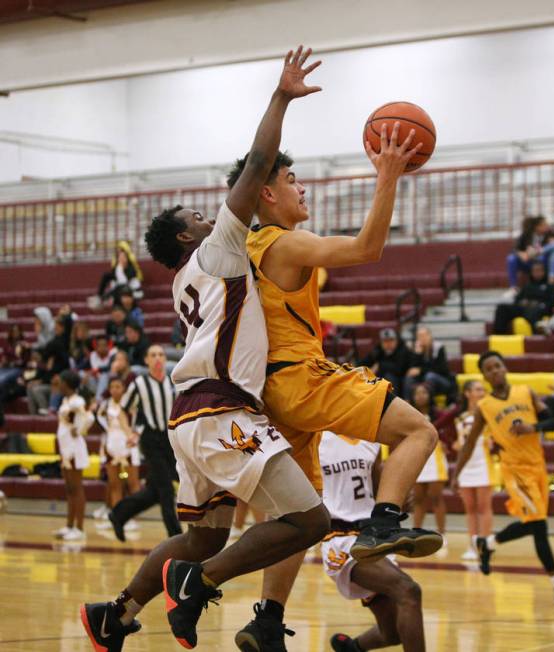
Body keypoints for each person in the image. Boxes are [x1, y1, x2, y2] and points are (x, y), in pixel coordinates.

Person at [82, 48, 331, 652]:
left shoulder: (185, 279)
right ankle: (198, 586)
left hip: (191, 414)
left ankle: (113, 614)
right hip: (222, 412)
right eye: (196, 213)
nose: (208, 212)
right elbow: (259, 164)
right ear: (185, 235)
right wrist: (280, 98)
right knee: (309, 521)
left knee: (201, 537)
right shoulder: (217, 250)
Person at [240, 85, 443, 643]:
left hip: (272, 392)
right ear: (266, 195)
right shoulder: (284, 243)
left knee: (298, 520)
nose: (301, 187)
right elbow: (366, 249)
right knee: (418, 430)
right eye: (290, 181)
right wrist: (388, 176)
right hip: (301, 379)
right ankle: (382, 525)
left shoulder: (247, 250)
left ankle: (267, 621)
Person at [453, 351, 554, 604]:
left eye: (498, 366)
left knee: (537, 524)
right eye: (489, 369)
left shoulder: (526, 392)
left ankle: (488, 543)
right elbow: (469, 443)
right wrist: (456, 474)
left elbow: (553, 423)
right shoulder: (484, 407)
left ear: (505, 368)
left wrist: (533, 427)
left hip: (538, 465)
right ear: (484, 376)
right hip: (514, 470)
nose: (495, 371)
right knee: (539, 525)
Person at [320, 431, 426, 652]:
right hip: (338, 537)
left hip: (371, 536)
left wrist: (397, 501)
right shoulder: (315, 437)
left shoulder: (371, 439)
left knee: (392, 633)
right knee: (408, 591)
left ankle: (351, 648)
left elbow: (380, 493)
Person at [106, 345, 180, 541]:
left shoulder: (173, 383)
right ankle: (176, 537)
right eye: (153, 355)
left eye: (161, 355)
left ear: (165, 359)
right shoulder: (139, 383)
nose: (157, 358)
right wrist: (129, 432)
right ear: (146, 360)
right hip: (150, 439)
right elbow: (122, 410)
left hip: (169, 440)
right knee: (166, 490)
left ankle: (119, 514)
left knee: (154, 491)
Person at [453, 379, 495, 562]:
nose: (481, 392)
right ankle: (471, 545)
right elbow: (459, 442)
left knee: (484, 508)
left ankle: (485, 546)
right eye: (478, 389)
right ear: (467, 393)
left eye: (483, 389)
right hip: (466, 467)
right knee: (469, 509)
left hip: (483, 464)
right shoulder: (460, 417)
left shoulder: (489, 413)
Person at [53, 369, 94, 542]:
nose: (58, 384)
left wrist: (81, 430)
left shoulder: (77, 401)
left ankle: (79, 528)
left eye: (60, 381)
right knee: (69, 489)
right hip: (65, 450)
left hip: (75, 450)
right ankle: (69, 525)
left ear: (67, 383)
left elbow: (88, 417)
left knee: (77, 489)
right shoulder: (66, 400)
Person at [410, 383, 448, 552]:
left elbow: (450, 431)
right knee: (417, 499)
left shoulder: (439, 414)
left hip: (436, 459)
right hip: (417, 458)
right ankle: (415, 533)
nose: (420, 395)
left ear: (430, 395)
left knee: (436, 497)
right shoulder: (408, 413)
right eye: (417, 392)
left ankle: (442, 534)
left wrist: (447, 442)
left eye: (424, 392)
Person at [96, 376, 141, 515]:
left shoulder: (132, 405)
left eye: (118, 387)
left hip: (128, 444)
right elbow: (99, 418)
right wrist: (108, 430)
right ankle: (118, 517)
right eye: (112, 387)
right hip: (111, 445)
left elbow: (139, 423)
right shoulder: (105, 404)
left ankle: (132, 517)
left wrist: (134, 435)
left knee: (133, 484)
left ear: (124, 389)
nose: (115, 390)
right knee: (115, 485)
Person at [492, 261, 554, 335]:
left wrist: (538, 304)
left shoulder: (549, 286)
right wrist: (522, 302)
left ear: (544, 271)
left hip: (539, 309)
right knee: (502, 308)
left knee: (535, 312)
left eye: (539, 270)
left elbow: (553, 302)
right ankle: (499, 335)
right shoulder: (527, 285)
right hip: (524, 308)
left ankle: (537, 337)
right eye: (534, 271)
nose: (537, 273)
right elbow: (517, 299)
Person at [404, 326, 456, 403]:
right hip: (425, 382)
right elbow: (413, 370)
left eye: (424, 335)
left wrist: (421, 371)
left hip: (443, 381)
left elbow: (441, 369)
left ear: (430, 336)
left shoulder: (438, 348)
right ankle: (408, 404)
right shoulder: (416, 349)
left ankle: (430, 407)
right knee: (409, 378)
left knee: (430, 376)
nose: (422, 338)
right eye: (419, 336)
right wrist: (417, 354)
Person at [359, 328, 415, 397]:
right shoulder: (377, 351)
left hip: (400, 380)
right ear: (381, 342)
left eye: (391, 340)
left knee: (389, 378)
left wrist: (380, 365)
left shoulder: (403, 350)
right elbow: (364, 362)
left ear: (396, 341)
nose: (388, 343)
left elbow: (399, 370)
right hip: (382, 380)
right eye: (385, 341)